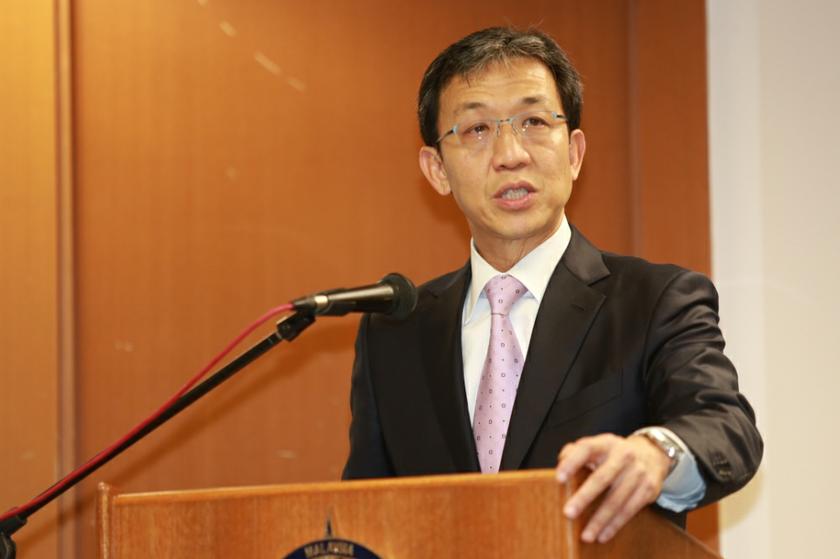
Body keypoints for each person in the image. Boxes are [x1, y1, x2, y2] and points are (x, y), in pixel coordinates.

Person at [342, 27, 762, 544]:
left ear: (574, 154)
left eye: (535, 122)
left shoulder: (655, 301)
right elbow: (363, 516)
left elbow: (725, 427)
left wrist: (656, 453)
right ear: (437, 170)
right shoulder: (394, 334)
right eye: (477, 129)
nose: (510, 154)